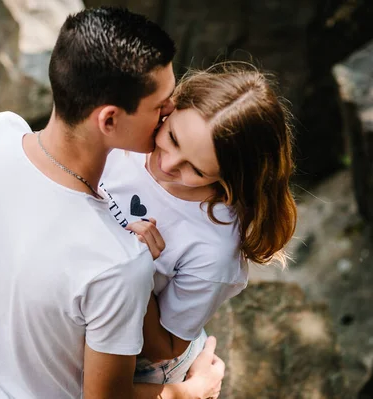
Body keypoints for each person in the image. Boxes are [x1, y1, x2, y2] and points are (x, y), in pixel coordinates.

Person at [0, 6, 225, 399]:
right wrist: (191, 392)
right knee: (192, 354)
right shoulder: (118, 265)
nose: (171, 113)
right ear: (109, 120)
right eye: (161, 106)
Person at [99, 62, 298, 384]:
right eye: (173, 138)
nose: (167, 163)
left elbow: (165, 347)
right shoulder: (125, 138)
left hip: (139, 361)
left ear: (232, 180)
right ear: (170, 107)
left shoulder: (213, 248)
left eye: (197, 169)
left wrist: (136, 275)